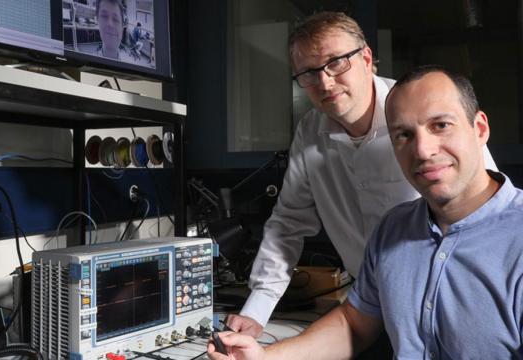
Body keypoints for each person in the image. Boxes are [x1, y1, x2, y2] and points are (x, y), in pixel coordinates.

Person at [209, 65, 523, 359]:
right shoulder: (393, 229)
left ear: (479, 129)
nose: (423, 151)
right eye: (403, 135)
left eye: (440, 125)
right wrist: (265, 357)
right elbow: (354, 325)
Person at [226, 11, 497, 339]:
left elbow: (487, 210)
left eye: (337, 62)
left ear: (366, 58)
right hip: (368, 308)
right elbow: (288, 224)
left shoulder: (419, 110)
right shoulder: (310, 132)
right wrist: (256, 311)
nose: (325, 82)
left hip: (452, 301)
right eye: (309, 73)